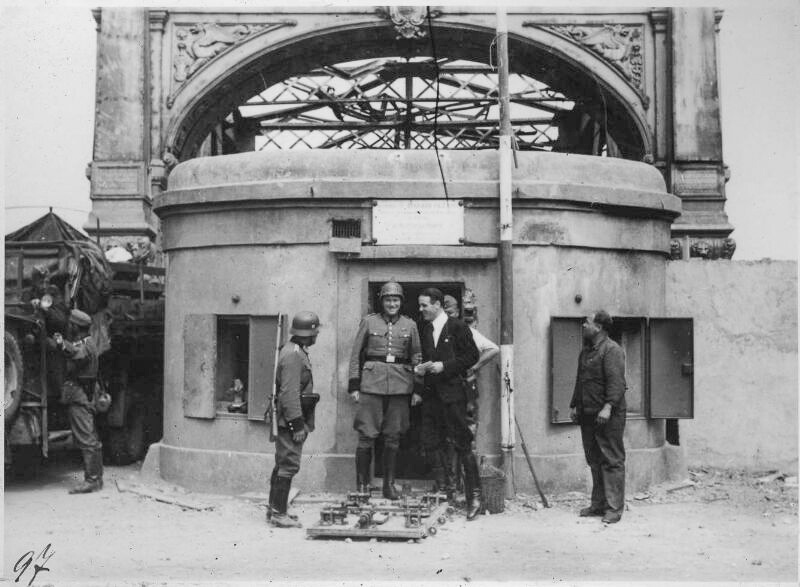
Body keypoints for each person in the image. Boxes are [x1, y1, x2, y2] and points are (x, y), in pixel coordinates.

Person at [348, 281, 422, 499]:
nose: (392, 304)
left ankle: (389, 485)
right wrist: (354, 385)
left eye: (396, 300)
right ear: (382, 302)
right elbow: (355, 355)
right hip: (371, 385)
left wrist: (417, 388)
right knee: (366, 436)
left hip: (401, 386)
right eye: (388, 300)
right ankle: (362, 486)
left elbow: (417, 357)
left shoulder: (410, 325)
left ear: (401, 302)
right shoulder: (369, 322)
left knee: (393, 437)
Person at [416, 287, 482, 520]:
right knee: (431, 441)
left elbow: (472, 356)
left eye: (424, 305)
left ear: (437, 304)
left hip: (453, 396)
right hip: (431, 397)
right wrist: (422, 369)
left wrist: (445, 366)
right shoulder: (425, 330)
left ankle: (475, 497)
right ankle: (445, 490)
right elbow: (426, 359)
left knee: (463, 443)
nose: (421, 309)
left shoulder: (458, 327)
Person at [569, 311, 628, 524]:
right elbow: (581, 381)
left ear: (599, 327)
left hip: (607, 415)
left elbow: (617, 383)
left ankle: (614, 509)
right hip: (588, 414)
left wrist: (608, 407)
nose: (584, 324)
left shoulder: (612, 350)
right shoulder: (586, 352)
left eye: (588, 321)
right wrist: (575, 405)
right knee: (594, 460)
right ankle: (598, 504)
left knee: (612, 460)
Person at [267, 311, 321, 529]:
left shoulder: (296, 350)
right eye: (315, 331)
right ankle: (279, 514)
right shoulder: (293, 355)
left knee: (282, 462)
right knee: (288, 464)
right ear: (308, 334)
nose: (317, 335)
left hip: (290, 416)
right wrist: (297, 424)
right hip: (290, 419)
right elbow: (289, 393)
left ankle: (275, 509)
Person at [442, 294, 499, 486]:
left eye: (450, 312)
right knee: (448, 438)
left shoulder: (465, 331)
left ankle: (467, 485)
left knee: (467, 437)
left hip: (466, 393)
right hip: (447, 392)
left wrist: (474, 368)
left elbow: (493, 349)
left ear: (457, 312)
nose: (447, 316)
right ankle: (451, 483)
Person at [54, 309, 104, 494]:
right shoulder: (84, 342)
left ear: (76, 327)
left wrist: (62, 345)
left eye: (71, 324)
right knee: (89, 436)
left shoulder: (86, 345)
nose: (69, 326)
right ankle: (96, 479)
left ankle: (92, 480)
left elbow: (78, 355)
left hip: (81, 395)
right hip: (82, 394)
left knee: (86, 437)